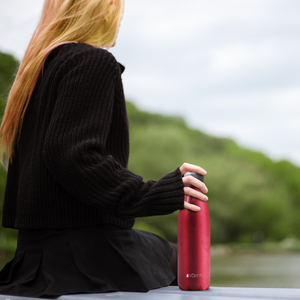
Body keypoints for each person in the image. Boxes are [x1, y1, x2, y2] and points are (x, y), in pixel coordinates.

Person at [0, 0, 208, 298]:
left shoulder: (35, 72)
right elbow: (72, 154)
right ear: (100, 11)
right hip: (83, 257)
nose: (120, 18)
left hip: (34, 257)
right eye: (116, 7)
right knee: (185, 258)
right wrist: (153, 193)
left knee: (166, 251)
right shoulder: (92, 61)